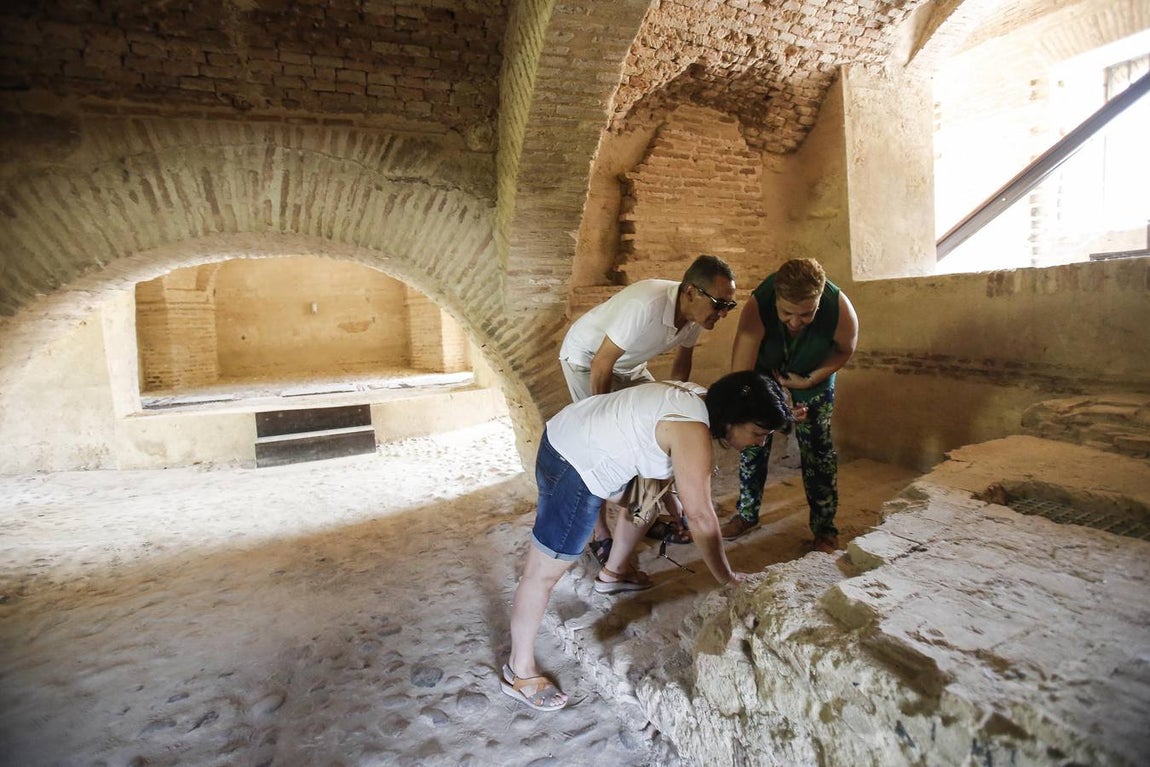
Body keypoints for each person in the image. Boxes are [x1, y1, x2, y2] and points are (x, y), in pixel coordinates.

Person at [501, 371, 795, 711]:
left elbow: (667, 480)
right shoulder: (692, 431)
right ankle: (518, 671)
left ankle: (613, 574)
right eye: (757, 433)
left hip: (568, 430)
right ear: (733, 418)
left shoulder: (695, 394)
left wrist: (678, 511)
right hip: (574, 462)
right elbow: (702, 516)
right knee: (543, 573)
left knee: (650, 494)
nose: (760, 442)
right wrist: (726, 577)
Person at [558, 255, 738, 559]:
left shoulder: (695, 317)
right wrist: (601, 422)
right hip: (587, 360)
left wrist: (679, 412)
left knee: (663, 436)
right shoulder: (647, 303)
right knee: (596, 449)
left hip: (629, 366)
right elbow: (602, 363)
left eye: (728, 306)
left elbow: (682, 367)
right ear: (691, 292)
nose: (722, 313)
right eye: (719, 304)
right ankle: (600, 534)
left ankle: (665, 511)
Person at [721, 258, 859, 553]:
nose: (796, 323)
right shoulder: (758, 306)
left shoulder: (839, 307)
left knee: (818, 450)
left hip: (814, 375)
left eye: (807, 314)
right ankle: (747, 514)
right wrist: (765, 407)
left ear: (820, 299)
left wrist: (809, 381)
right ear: (776, 301)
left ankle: (824, 529)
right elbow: (741, 375)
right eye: (786, 313)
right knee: (754, 442)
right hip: (762, 378)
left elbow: (845, 350)